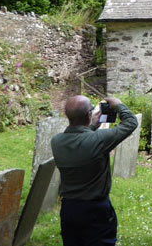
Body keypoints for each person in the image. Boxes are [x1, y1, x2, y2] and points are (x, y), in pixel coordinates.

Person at [51, 95, 138, 246]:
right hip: (95, 209)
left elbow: (79, 142)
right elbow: (131, 123)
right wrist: (118, 104)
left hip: (69, 209)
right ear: (88, 115)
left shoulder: (57, 141)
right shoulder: (99, 140)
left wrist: (91, 127)